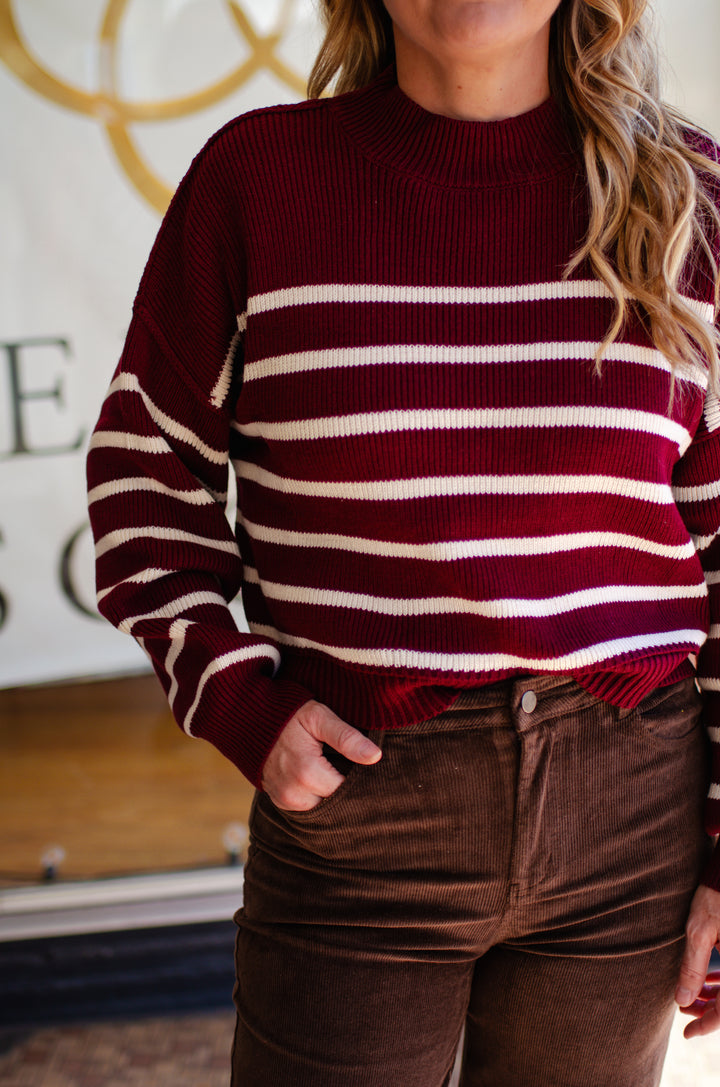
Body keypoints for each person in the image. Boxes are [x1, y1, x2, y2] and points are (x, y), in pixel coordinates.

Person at [87, 0, 720, 1082]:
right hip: (362, 808)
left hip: (633, 814)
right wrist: (240, 701)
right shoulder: (261, 181)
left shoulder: (689, 197)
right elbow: (147, 477)